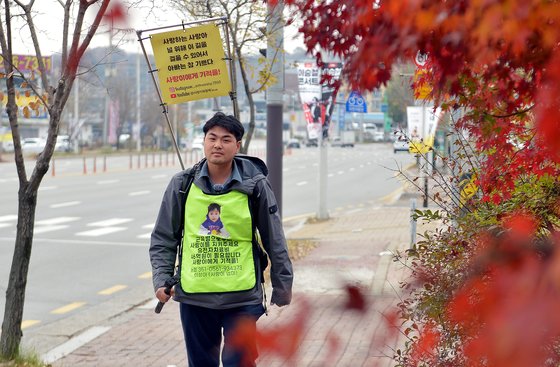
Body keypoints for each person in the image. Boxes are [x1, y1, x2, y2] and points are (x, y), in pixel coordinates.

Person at [150, 112, 293, 367]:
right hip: (196, 297)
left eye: (226, 139)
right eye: (212, 138)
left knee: (239, 362)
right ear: (203, 142)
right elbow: (164, 237)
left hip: (242, 297)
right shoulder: (182, 184)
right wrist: (161, 279)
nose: (218, 144)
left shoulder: (255, 185)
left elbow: (274, 237)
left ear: (237, 146)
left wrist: (283, 284)